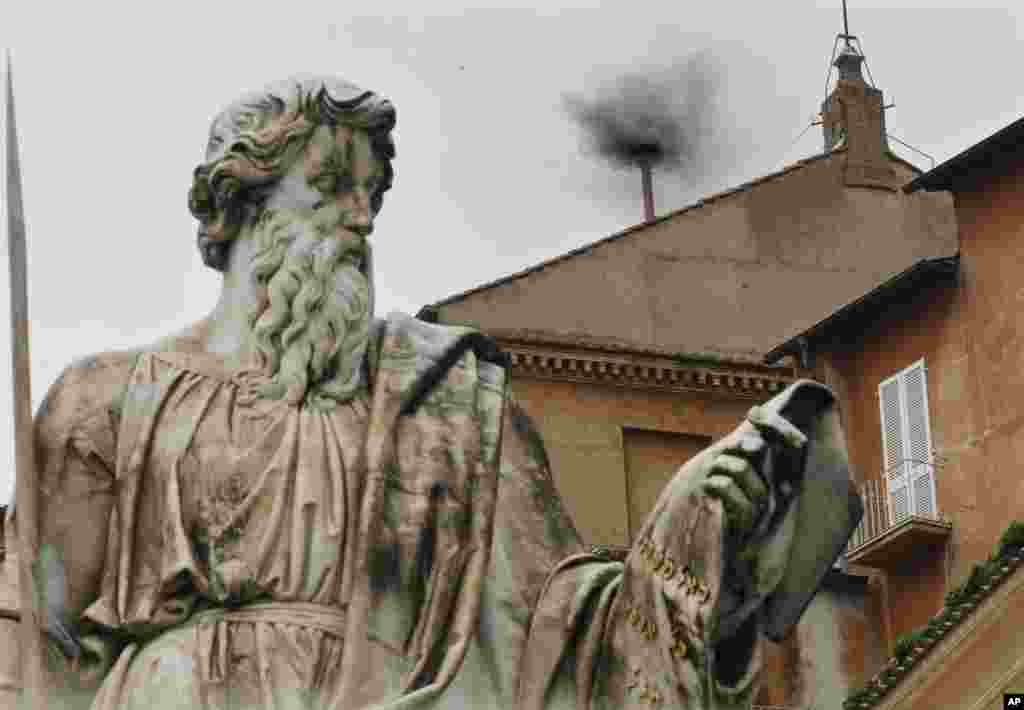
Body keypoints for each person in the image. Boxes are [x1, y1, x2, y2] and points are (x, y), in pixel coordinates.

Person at [0, 76, 853, 710]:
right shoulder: (106, 402)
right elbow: (27, 647)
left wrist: (695, 530)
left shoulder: (447, 403)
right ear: (243, 205)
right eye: (332, 187)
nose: (361, 218)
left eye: (372, 193)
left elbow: (558, 626)